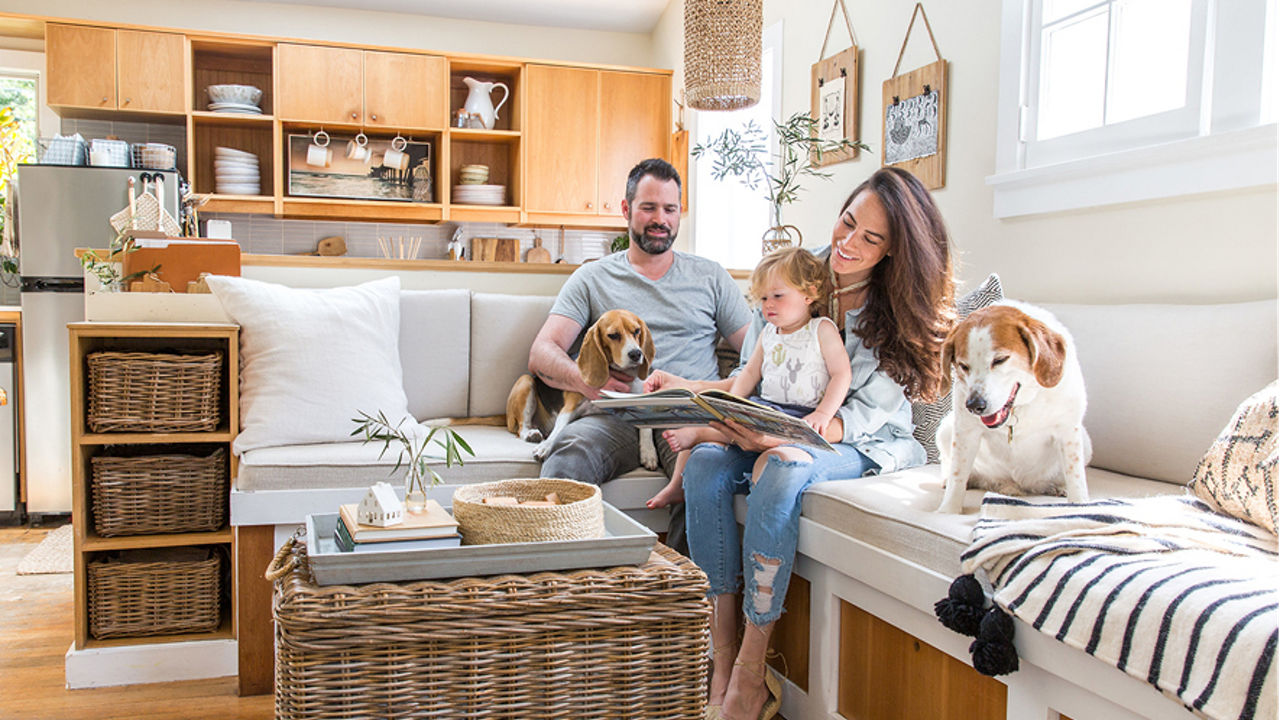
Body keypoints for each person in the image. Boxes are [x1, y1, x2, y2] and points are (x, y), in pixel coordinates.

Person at [658, 167, 955, 720]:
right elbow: (754, 367)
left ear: (895, 250)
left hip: (857, 437)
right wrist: (714, 402)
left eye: (871, 239)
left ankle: (750, 670)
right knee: (703, 464)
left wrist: (794, 434)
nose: (848, 244)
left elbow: (870, 413)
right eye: (847, 223)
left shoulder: (897, 304)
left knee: (782, 468)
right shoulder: (797, 271)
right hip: (778, 416)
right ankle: (718, 657)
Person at [528, 157, 752, 552]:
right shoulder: (592, 277)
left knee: (705, 469)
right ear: (626, 209)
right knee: (568, 456)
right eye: (648, 207)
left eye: (670, 209)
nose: (660, 219)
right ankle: (567, 591)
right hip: (613, 415)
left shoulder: (710, 277)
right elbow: (542, 353)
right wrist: (587, 381)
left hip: (685, 415)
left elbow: (757, 351)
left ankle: (681, 602)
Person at [645, 247, 852, 510]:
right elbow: (750, 374)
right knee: (715, 417)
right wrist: (729, 403)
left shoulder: (821, 330)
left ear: (809, 293)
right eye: (763, 298)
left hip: (801, 414)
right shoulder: (768, 334)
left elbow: (841, 373)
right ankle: (677, 485)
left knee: (717, 431)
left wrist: (824, 414)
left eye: (778, 296)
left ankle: (698, 434)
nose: (768, 305)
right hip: (768, 406)